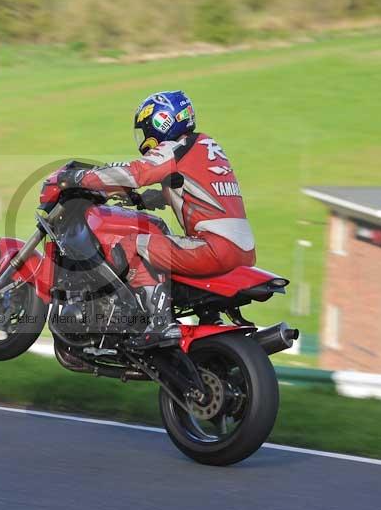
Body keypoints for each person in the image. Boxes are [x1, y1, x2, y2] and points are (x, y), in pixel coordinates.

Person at [58, 90, 256, 350]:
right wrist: (143, 200)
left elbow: (135, 173)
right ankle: (210, 323)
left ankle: (159, 323)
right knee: (160, 238)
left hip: (213, 247)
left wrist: (81, 177)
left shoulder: (175, 148)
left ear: (162, 121)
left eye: (146, 129)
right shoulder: (205, 146)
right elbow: (187, 188)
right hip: (244, 250)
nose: (145, 139)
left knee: (132, 245)